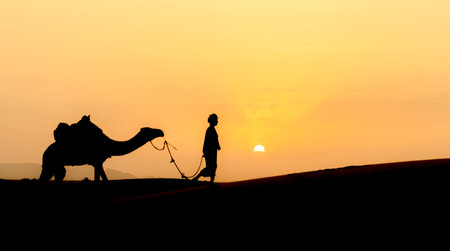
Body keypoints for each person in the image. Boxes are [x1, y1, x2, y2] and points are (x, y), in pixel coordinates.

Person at [193, 113, 221, 183]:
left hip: (212, 151)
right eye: (216, 120)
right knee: (210, 167)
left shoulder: (212, 129)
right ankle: (197, 178)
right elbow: (209, 141)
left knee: (213, 166)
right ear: (212, 121)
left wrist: (218, 146)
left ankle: (211, 180)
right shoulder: (210, 130)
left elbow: (215, 140)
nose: (217, 121)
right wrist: (206, 151)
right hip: (210, 151)